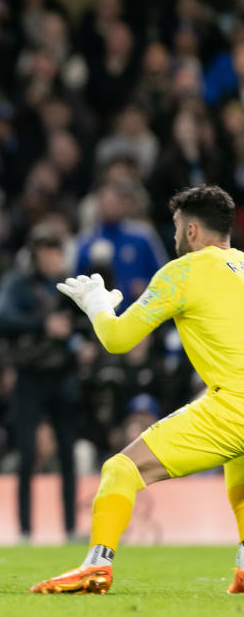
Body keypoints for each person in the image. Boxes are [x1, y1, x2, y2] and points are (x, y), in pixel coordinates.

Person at [31, 185, 244, 595]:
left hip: (234, 404)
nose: (176, 236)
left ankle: (96, 566)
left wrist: (96, 304)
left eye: (178, 227)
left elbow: (117, 340)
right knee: (239, 472)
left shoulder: (182, 271)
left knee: (120, 469)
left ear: (194, 231)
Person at [0, 227, 81, 543]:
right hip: (29, 376)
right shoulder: (18, 283)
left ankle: (70, 529)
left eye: (55, 251)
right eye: (45, 251)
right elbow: (0, 317)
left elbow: (88, 320)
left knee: (68, 455)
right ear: (34, 255)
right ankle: (25, 531)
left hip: (63, 376)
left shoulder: (72, 283)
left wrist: (85, 342)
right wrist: (44, 325)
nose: (51, 258)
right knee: (27, 455)